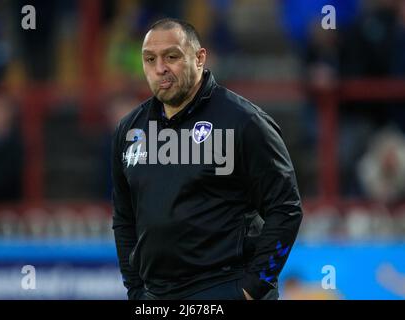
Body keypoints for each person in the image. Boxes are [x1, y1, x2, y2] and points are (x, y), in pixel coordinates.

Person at [111, 18, 303, 300]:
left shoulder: (245, 122)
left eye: (171, 56)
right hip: (156, 294)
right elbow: (124, 219)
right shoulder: (130, 130)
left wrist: (252, 289)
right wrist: (137, 292)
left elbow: (286, 209)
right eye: (149, 59)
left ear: (200, 58)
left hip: (224, 287)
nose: (159, 68)